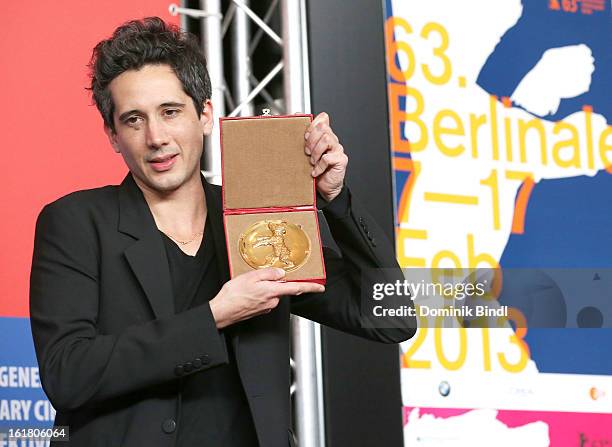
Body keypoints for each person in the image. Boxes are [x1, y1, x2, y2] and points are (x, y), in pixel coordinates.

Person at [29, 17, 415, 447]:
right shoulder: (76, 222)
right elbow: (68, 373)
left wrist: (336, 201)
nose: (156, 137)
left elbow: (391, 317)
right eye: (134, 120)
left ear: (206, 115)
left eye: (170, 112)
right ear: (114, 135)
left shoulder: (259, 221)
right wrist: (215, 316)